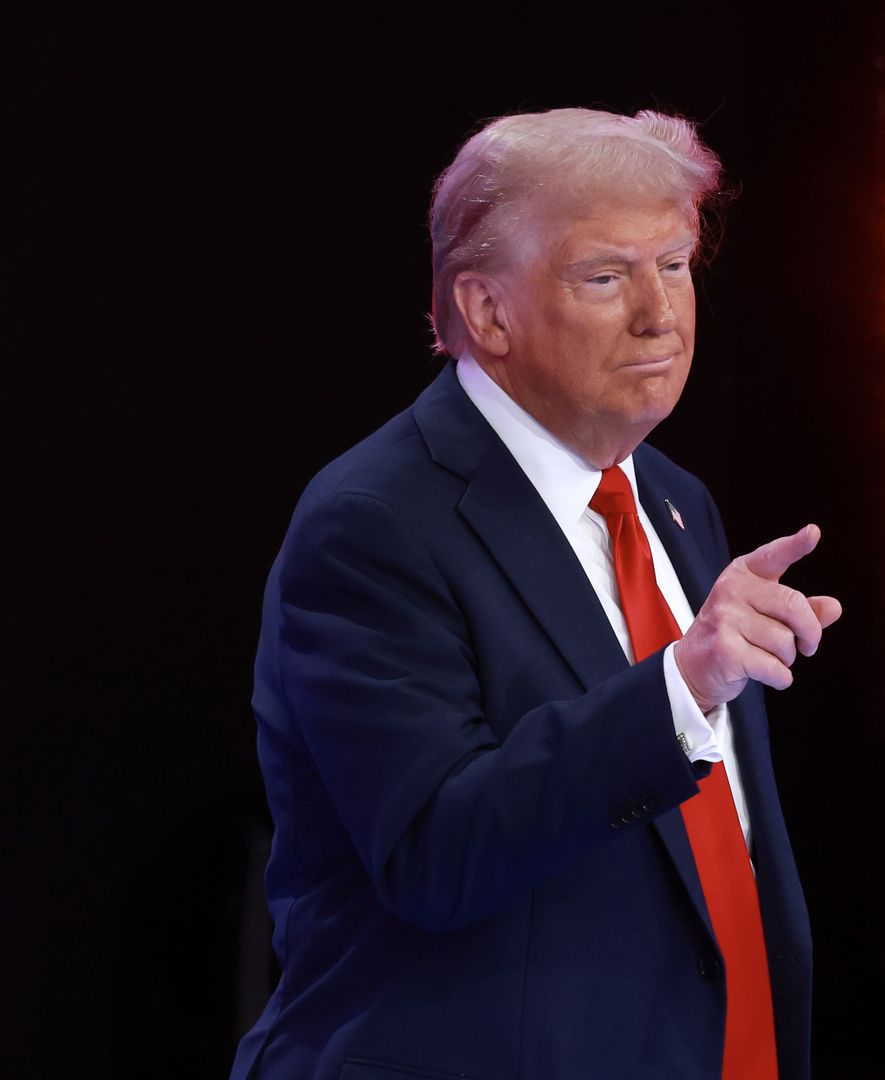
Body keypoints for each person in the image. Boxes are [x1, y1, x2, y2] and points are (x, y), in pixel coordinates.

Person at [230, 107, 842, 1080]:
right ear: (487, 312)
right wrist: (677, 688)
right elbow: (435, 851)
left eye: (676, 265)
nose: (660, 313)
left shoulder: (678, 504)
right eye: (605, 276)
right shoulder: (373, 522)